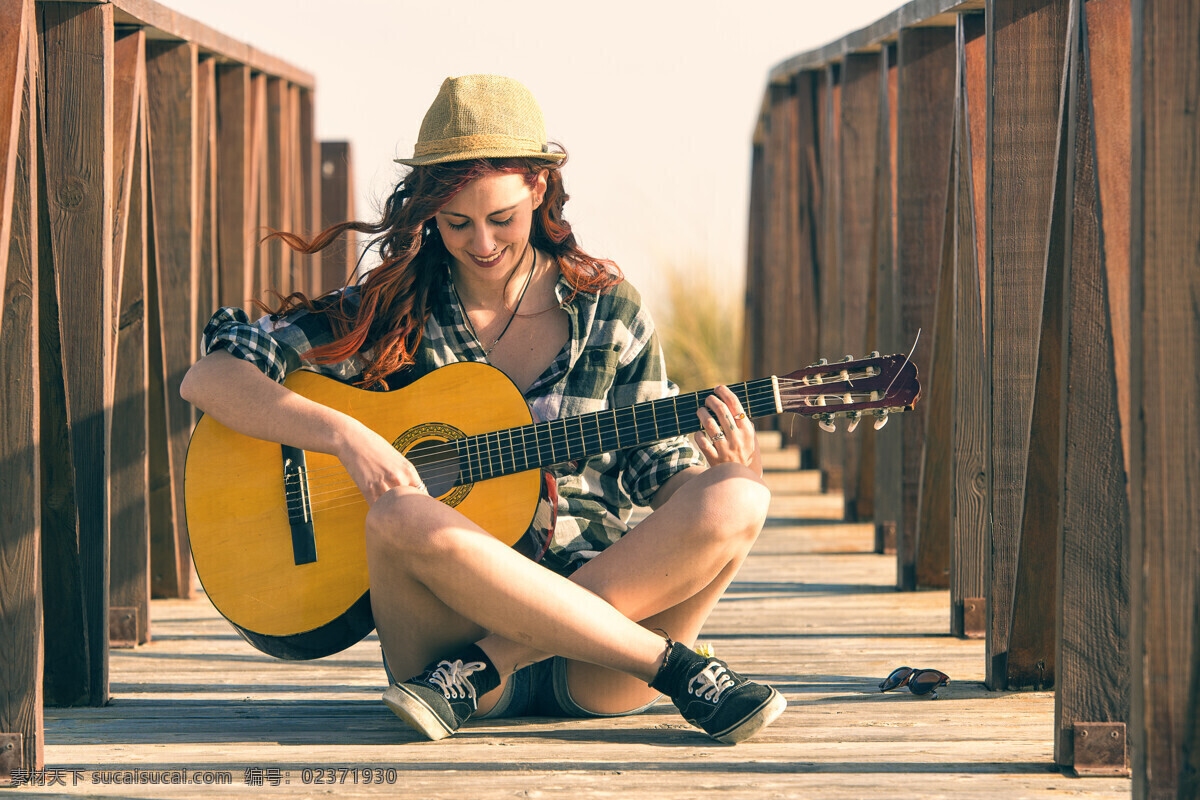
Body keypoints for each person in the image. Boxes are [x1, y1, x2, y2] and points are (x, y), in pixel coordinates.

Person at [180, 74, 785, 744]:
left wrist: (719, 470)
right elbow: (211, 377)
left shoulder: (608, 309)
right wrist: (346, 436)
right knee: (400, 512)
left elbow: (661, 477)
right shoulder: (393, 310)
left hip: (585, 658)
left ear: (538, 188)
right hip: (445, 634)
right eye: (457, 223)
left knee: (742, 496)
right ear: (428, 213)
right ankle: (676, 671)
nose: (484, 244)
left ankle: (494, 662)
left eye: (502, 219)